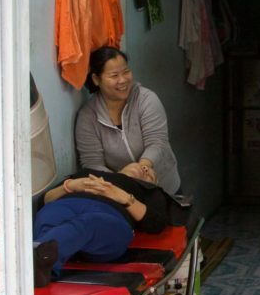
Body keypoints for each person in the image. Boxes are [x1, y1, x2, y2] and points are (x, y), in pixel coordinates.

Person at [32, 162, 181, 287]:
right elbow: (44, 201)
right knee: (48, 215)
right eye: (140, 165)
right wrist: (71, 185)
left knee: (88, 223)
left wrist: (123, 197)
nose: (146, 169)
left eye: (151, 176)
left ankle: (35, 262)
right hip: (66, 204)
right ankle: (41, 266)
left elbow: (156, 223)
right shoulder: (87, 173)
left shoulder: (149, 191)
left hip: (111, 216)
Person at [75, 47, 181, 195]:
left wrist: (142, 168)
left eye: (126, 72)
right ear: (96, 79)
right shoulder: (88, 117)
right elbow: (92, 164)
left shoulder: (146, 100)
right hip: (123, 193)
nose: (123, 80)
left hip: (164, 187)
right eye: (114, 75)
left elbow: (157, 142)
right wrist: (122, 176)